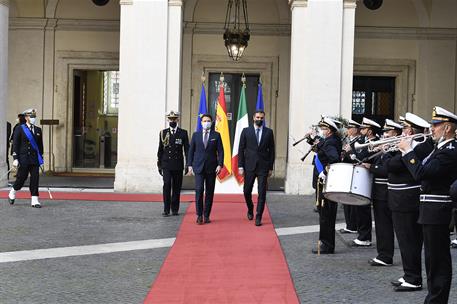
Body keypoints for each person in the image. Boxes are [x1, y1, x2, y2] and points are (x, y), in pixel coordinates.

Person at [398, 106, 457, 303]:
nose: (432, 129)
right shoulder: (438, 148)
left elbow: (421, 174)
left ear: (447, 127)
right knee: (431, 259)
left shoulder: (449, 151)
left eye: (436, 125)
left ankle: (436, 300)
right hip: (429, 208)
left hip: (437, 208)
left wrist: (407, 152)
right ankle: (433, 298)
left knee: (438, 260)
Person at [388, 112, 432, 292]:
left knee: (410, 240)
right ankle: (409, 274)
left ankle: (414, 278)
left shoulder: (421, 147)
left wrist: (403, 150)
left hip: (407, 199)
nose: (403, 131)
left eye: (406, 128)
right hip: (400, 199)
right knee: (405, 240)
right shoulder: (412, 146)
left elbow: (394, 165)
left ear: (414, 130)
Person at [362, 119, 401, 267]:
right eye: (384, 132)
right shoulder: (388, 148)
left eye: (387, 132)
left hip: (386, 191)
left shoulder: (396, 149)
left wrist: (371, 167)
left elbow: (387, 169)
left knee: (385, 225)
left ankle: (385, 255)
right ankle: (382, 254)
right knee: (380, 225)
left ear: (395, 133)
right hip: (379, 191)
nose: (384, 135)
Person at [308, 117, 342, 254]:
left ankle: (326, 244)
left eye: (323, 129)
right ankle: (325, 242)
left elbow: (334, 158)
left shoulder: (330, 142)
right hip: (326, 180)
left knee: (326, 214)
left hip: (327, 181)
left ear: (329, 130)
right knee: (325, 213)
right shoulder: (330, 140)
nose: (322, 131)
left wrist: (326, 170)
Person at [238, 110, 275, 226]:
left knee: (262, 192)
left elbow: (272, 151)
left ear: (264, 119)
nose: (259, 119)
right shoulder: (246, 131)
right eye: (257, 117)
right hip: (249, 166)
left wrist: (270, 167)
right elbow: (241, 149)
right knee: (246, 191)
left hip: (263, 167)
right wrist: (240, 166)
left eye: (261, 118)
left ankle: (258, 216)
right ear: (253, 118)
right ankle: (250, 208)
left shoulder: (269, 132)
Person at [187, 114, 224, 224]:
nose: (206, 122)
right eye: (204, 121)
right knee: (199, 190)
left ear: (211, 122)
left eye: (208, 120)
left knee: (209, 192)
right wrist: (189, 165)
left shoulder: (216, 135)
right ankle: (199, 215)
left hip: (211, 168)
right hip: (198, 167)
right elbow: (191, 151)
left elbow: (221, 151)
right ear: (201, 122)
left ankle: (206, 215)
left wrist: (220, 164)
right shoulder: (196, 135)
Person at [352, 117, 381, 247]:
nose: (361, 130)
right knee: (360, 208)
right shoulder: (364, 141)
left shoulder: (375, 143)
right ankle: (362, 234)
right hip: (362, 176)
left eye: (364, 128)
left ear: (370, 131)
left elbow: (364, 158)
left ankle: (365, 236)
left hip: (369, 177)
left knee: (364, 208)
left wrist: (352, 153)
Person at [8, 108, 44, 208]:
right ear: (26, 117)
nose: (33, 118)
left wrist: (41, 157)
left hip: (34, 159)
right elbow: (16, 144)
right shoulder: (20, 128)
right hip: (23, 158)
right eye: (31, 117)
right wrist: (15, 158)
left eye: (34, 117)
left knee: (35, 179)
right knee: (21, 178)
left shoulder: (38, 130)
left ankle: (35, 199)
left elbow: (40, 146)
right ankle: (13, 191)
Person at [157, 111, 189, 217]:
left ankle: (174, 209)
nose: (172, 121)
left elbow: (187, 150)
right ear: (168, 120)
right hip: (166, 165)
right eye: (170, 119)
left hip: (178, 165)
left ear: (178, 120)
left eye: (174, 119)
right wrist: (159, 165)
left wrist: (188, 164)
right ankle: (166, 209)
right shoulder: (163, 133)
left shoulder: (183, 133)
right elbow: (160, 150)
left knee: (176, 187)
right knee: (167, 185)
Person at [340, 119, 363, 234]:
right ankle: (349, 224)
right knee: (346, 200)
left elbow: (358, 157)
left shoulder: (359, 141)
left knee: (352, 200)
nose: (347, 130)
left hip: (355, 172)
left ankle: (353, 225)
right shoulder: (349, 140)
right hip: (347, 171)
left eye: (350, 128)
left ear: (355, 129)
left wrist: (348, 151)